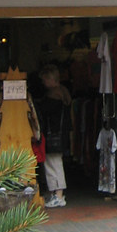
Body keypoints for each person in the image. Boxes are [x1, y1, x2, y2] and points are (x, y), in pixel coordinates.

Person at [37, 64, 70, 207]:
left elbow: (44, 111)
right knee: (56, 163)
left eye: (44, 80)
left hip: (53, 135)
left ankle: (58, 195)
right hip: (61, 135)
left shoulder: (52, 96)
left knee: (53, 164)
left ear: (50, 79)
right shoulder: (63, 92)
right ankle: (56, 194)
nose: (43, 83)